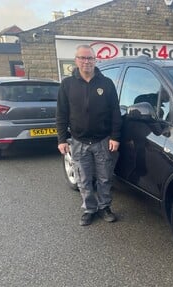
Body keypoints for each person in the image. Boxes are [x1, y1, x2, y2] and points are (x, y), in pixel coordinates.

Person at [56, 45, 122, 226]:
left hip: (103, 140)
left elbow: (115, 112)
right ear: (76, 60)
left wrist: (115, 137)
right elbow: (61, 114)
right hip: (78, 141)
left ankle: (104, 207)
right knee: (83, 178)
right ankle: (89, 209)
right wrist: (62, 139)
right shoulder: (67, 85)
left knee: (105, 177)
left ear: (95, 60)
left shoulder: (106, 83)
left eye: (90, 58)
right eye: (83, 58)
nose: (87, 62)